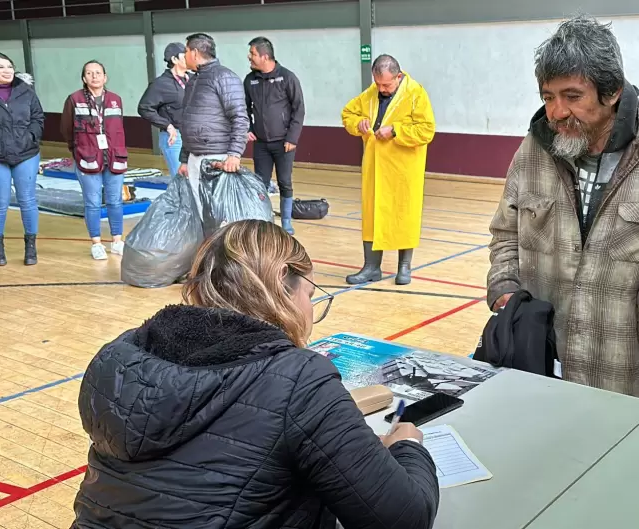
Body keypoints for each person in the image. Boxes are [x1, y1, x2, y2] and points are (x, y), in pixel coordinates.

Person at [71, 219, 440, 529]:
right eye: (309, 293)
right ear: (282, 283)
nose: (310, 308)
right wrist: (407, 446)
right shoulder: (298, 379)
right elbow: (404, 519)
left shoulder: (120, 355)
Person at [486, 16, 639, 399]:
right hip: (537, 357)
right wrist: (504, 286)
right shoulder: (534, 149)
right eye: (548, 97)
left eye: (572, 96)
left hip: (616, 365)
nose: (556, 112)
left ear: (612, 90)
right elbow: (505, 231)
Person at [341, 54, 435, 286]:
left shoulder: (416, 94)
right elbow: (348, 114)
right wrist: (359, 123)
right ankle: (371, 267)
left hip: (403, 168)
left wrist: (396, 130)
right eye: (378, 83)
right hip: (375, 167)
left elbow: (426, 130)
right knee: (372, 215)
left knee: (404, 214)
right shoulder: (372, 92)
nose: (381, 89)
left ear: (399, 76)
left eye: (387, 84)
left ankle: (404, 267)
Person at [61, 60, 130, 260]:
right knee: (92, 203)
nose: (94, 76)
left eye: (98, 72)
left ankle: (117, 241)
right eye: (89, 73)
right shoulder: (74, 99)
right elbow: (66, 129)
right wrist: (78, 150)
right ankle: (96, 243)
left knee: (115, 201)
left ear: (105, 77)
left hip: (114, 158)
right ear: (84, 78)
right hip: (87, 157)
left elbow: (119, 128)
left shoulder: (116, 99)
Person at [177, 33, 249, 220]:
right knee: (200, 210)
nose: (184, 56)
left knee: (220, 213)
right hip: (195, 157)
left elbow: (240, 117)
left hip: (218, 157)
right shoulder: (193, 81)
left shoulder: (225, 77)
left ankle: (221, 248)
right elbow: (188, 120)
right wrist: (185, 159)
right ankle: (206, 247)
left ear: (194, 52)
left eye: (185, 51)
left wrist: (234, 154)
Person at [245, 36, 305, 235]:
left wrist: (292, 138)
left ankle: (286, 222)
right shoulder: (250, 80)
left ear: (265, 56)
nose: (249, 57)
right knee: (259, 183)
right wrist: (247, 128)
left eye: (253, 54)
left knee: (284, 181)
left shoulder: (287, 78)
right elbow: (243, 108)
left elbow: (299, 109)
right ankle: (263, 219)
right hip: (261, 144)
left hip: (284, 144)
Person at [0, 53, 43, 267]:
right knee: (0, 203)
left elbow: (38, 118)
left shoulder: (26, 92)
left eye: (9, 66)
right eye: (0, 67)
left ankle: (30, 246)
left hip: (27, 153)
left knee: (27, 201)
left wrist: (31, 137)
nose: (6, 70)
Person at [138, 42, 189, 178]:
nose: (190, 58)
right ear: (174, 59)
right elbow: (144, 108)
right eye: (186, 55)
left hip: (193, 135)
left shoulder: (193, 79)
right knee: (182, 179)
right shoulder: (161, 83)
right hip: (174, 137)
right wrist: (167, 125)